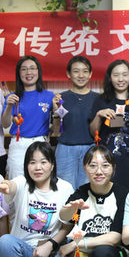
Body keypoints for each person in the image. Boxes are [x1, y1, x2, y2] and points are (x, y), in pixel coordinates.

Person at [52, 145, 129, 257]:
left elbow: (115, 237)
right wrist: (71, 209)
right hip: (83, 256)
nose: (99, 171)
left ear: (113, 168)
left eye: (105, 165)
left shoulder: (123, 195)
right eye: (92, 165)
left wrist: (76, 244)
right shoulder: (81, 193)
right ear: (85, 168)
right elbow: (66, 217)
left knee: (103, 253)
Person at [89, 59, 129, 192]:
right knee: (109, 196)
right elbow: (93, 133)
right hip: (107, 161)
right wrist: (99, 115)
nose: (121, 79)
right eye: (116, 75)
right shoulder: (101, 100)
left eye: (125, 75)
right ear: (110, 78)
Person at [1, 56, 58, 181]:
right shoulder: (12, 97)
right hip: (19, 144)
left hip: (41, 144)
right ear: (19, 73)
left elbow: (57, 128)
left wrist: (57, 110)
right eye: (24, 69)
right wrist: (9, 106)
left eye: (32, 68)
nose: (28, 72)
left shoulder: (49, 96)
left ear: (38, 71)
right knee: (17, 183)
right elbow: (5, 124)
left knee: (41, 183)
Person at [55, 55, 100, 190]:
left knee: (88, 190)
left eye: (85, 71)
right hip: (65, 150)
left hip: (90, 149)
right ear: (68, 74)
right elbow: (56, 132)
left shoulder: (98, 99)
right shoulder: (61, 98)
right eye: (76, 71)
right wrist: (56, 111)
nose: (81, 75)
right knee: (65, 190)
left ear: (90, 74)